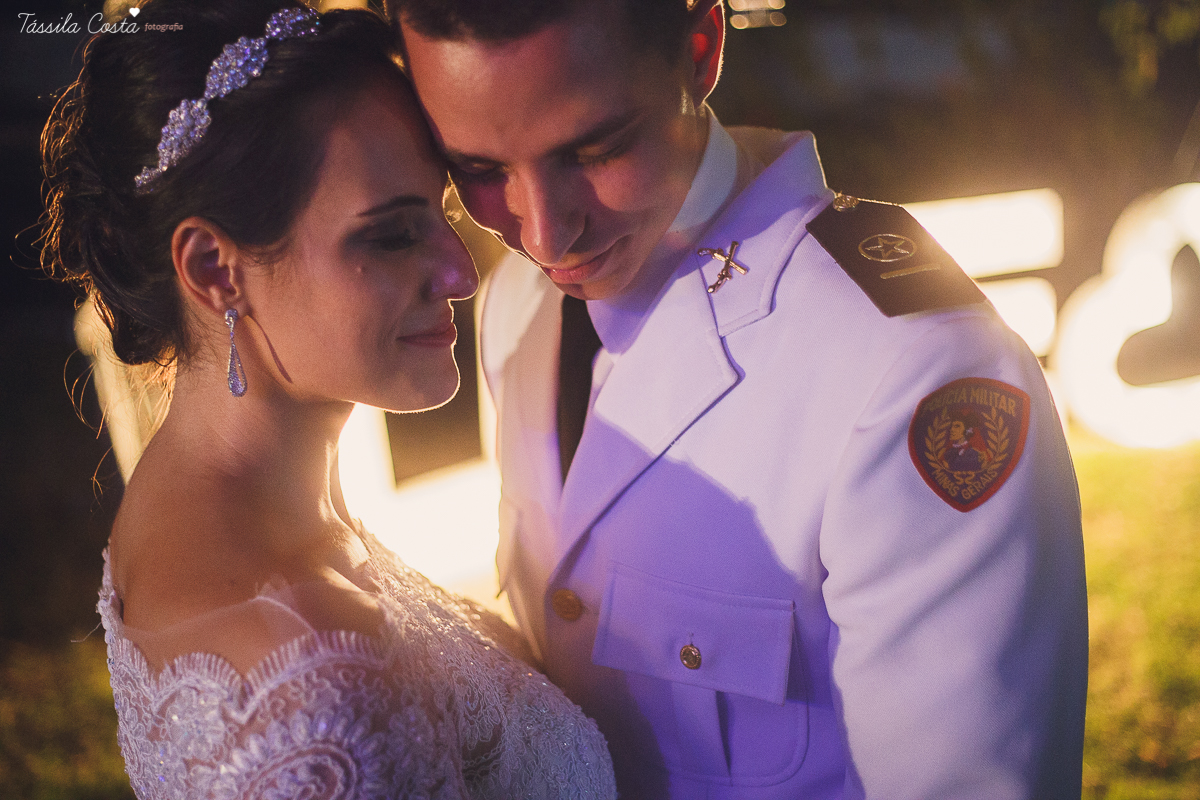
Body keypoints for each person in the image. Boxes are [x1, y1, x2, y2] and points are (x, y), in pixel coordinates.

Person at [392, 0, 1090, 797]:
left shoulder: (915, 372)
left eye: (594, 148)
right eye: (479, 170)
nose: (545, 234)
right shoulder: (516, 303)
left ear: (701, 46)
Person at [39, 2, 618, 797]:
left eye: (444, 213)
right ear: (215, 269)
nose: (462, 273)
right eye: (390, 234)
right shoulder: (315, 697)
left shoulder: (231, 504)